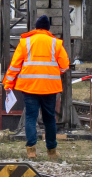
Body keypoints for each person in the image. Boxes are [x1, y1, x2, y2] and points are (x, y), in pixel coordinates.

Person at [4, 14, 69, 160]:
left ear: (36, 27)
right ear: (48, 29)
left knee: (31, 117)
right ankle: (51, 151)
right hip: (50, 88)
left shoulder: (25, 42)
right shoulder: (56, 43)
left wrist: (8, 83)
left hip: (29, 87)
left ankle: (31, 150)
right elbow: (64, 66)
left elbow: (14, 66)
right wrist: (52, 71)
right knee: (49, 119)